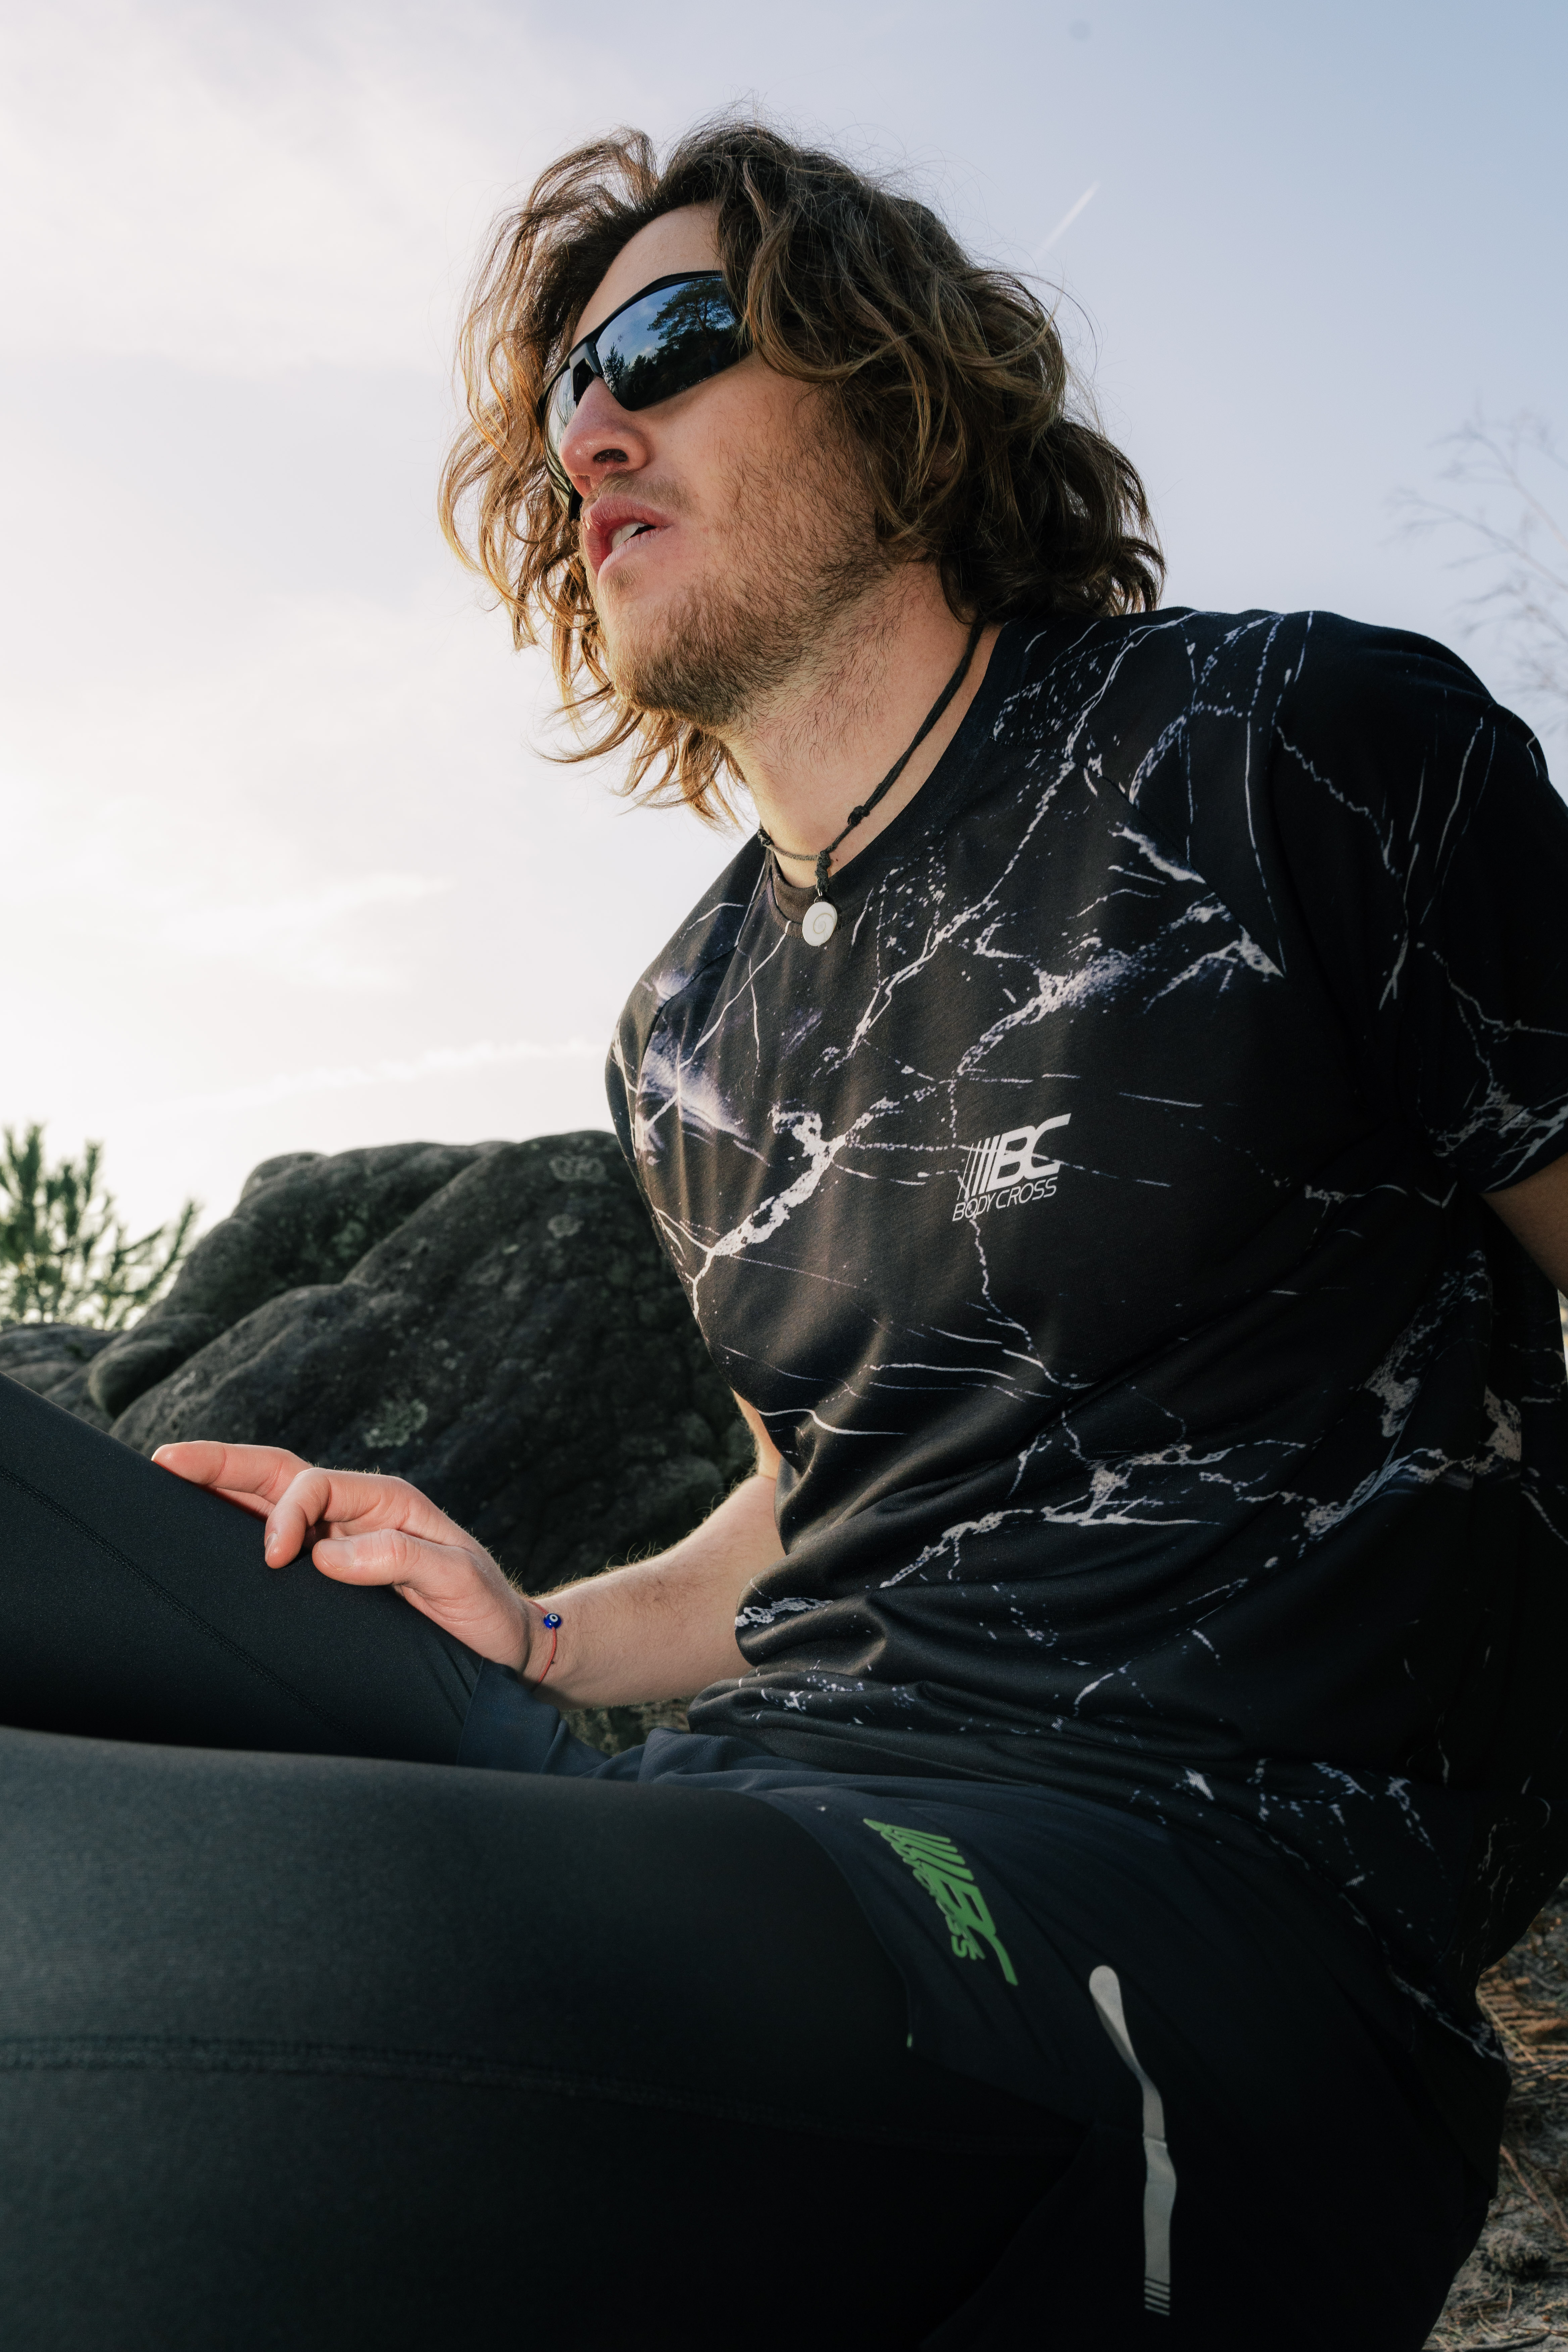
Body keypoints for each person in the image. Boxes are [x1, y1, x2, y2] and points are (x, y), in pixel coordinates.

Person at [2, 118, 1565, 2352]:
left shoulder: (1291, 747)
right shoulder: (688, 1024)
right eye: (561, 403)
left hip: (1191, 1931)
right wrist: (534, 1627)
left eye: (662, 340)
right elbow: (812, 1512)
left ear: (900, 387)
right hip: (752, 1819)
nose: (590, 435)